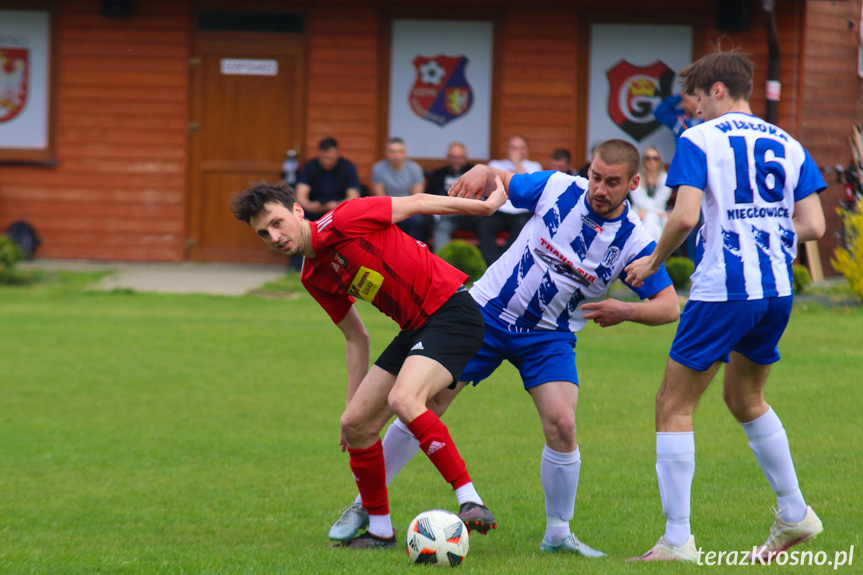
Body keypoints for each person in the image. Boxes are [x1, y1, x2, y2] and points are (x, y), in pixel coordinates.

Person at [329, 139, 681, 555]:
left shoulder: (635, 241)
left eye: (612, 182)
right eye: (595, 177)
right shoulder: (558, 188)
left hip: (548, 337)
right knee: (425, 403)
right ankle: (365, 505)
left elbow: (668, 306)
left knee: (562, 425)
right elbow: (502, 180)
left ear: (634, 183)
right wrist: (481, 171)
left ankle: (558, 535)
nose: (599, 189)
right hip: (484, 316)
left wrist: (625, 309)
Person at [625, 49, 827, 562]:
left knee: (673, 405)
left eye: (693, 101)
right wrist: (765, 231)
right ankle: (795, 511)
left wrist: (652, 264)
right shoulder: (789, 143)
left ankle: (677, 541)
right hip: (776, 291)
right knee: (744, 399)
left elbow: (684, 216)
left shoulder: (697, 141)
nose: (689, 113)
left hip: (723, 289)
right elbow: (815, 226)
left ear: (716, 90)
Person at [231, 178, 508, 549]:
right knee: (355, 424)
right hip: (414, 328)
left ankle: (470, 500)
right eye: (264, 234)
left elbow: (419, 201)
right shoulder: (313, 276)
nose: (275, 236)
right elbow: (356, 338)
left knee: (405, 400)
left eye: (277, 223)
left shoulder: (347, 218)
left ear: (297, 210)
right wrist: (352, 403)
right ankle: (380, 531)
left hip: (452, 311)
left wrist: (484, 207)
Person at [655, 90, 704, 261]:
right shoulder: (680, 120)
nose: (682, 105)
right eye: (681, 102)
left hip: (707, 179)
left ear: (698, 100)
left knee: (704, 223)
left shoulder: (709, 120)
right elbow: (659, 112)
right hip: (688, 177)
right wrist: (679, 95)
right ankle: (690, 264)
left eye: (686, 101)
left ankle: (700, 261)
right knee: (688, 221)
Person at [478, 134, 543, 265]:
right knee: (484, 226)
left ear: (527, 150)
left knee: (522, 227)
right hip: (499, 210)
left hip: (522, 212)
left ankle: (507, 263)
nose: (517, 151)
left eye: (521, 148)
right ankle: (491, 263)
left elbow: (529, 188)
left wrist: (517, 163)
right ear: (507, 150)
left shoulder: (534, 167)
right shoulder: (495, 164)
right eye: (513, 148)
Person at [371, 137, 427, 242]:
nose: (396, 155)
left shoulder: (415, 169)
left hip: (410, 209)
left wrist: (403, 209)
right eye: (392, 151)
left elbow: (417, 197)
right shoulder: (378, 169)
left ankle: (417, 252)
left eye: (400, 151)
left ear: (405, 153)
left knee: (418, 220)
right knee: (377, 220)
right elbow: (380, 197)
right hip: (387, 208)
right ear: (386, 153)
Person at [425, 142, 477, 251]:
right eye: (453, 157)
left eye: (460, 157)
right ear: (448, 158)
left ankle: (486, 264)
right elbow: (429, 196)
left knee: (487, 223)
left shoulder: (474, 172)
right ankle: (441, 262)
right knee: (441, 226)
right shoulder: (438, 174)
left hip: (471, 216)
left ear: (466, 158)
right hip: (448, 216)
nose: (457, 160)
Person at [295, 138, 361, 222]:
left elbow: (353, 196)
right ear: (319, 154)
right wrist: (310, 206)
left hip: (340, 213)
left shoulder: (348, 167)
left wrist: (337, 206)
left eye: (331, 158)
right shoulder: (309, 166)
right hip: (313, 214)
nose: (327, 162)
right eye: (324, 158)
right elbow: (301, 196)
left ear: (338, 154)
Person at [629, 146, 673, 242]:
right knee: (653, 223)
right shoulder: (636, 177)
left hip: (656, 215)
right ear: (643, 160)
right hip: (640, 213)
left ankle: (646, 249)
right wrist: (656, 211)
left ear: (660, 161)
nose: (651, 161)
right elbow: (638, 200)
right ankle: (653, 252)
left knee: (651, 219)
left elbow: (661, 201)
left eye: (655, 158)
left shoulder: (665, 178)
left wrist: (649, 210)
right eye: (648, 158)